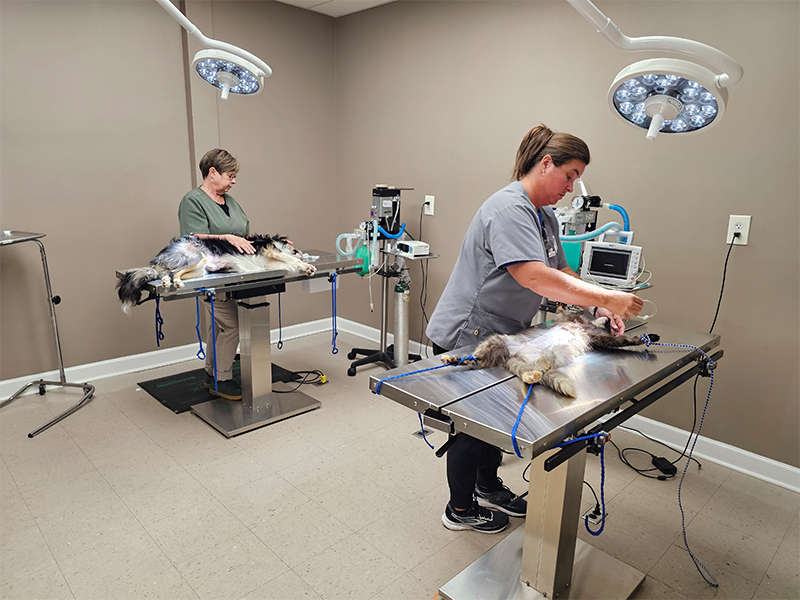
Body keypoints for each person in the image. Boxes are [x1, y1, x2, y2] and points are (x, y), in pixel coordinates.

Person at [426, 125, 643, 533]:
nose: (572, 186)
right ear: (546, 164)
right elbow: (533, 276)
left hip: (507, 333)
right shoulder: (508, 209)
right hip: (468, 332)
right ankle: (458, 509)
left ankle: (487, 485)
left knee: (498, 415)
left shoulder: (543, 216)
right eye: (570, 175)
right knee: (473, 425)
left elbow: (559, 270)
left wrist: (597, 304)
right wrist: (611, 298)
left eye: (577, 177)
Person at [178, 148, 255, 401]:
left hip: (234, 273)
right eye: (230, 175)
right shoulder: (193, 200)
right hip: (210, 275)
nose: (234, 181)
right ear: (212, 173)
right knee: (231, 326)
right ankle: (223, 379)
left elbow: (241, 235)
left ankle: (212, 375)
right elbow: (192, 238)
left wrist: (271, 242)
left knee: (219, 327)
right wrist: (224, 237)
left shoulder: (230, 201)